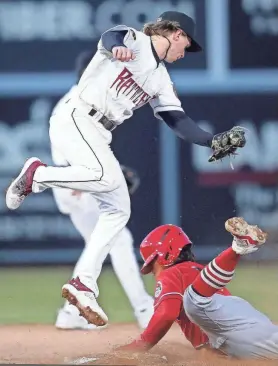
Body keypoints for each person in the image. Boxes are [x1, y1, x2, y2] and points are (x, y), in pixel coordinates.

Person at [5, 11, 246, 327]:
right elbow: (111, 37)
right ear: (175, 33)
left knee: (118, 209)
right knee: (105, 179)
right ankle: (39, 175)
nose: (185, 51)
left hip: (97, 132)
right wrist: (117, 47)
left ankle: (83, 283)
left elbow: (178, 120)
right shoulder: (135, 39)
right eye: (186, 43)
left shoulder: (160, 80)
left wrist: (211, 140)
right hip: (78, 117)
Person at [52, 52, 153, 330]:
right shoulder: (81, 101)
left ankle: (70, 313)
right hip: (79, 184)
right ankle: (144, 308)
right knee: (118, 239)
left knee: (97, 244)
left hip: (73, 182)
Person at [119, 217, 278, 360]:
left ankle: (238, 247)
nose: (152, 272)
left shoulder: (172, 274)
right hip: (255, 323)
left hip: (236, 336)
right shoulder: (201, 271)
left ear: (165, 256)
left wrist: (139, 346)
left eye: (152, 265)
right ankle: (238, 247)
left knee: (192, 301)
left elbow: (166, 314)